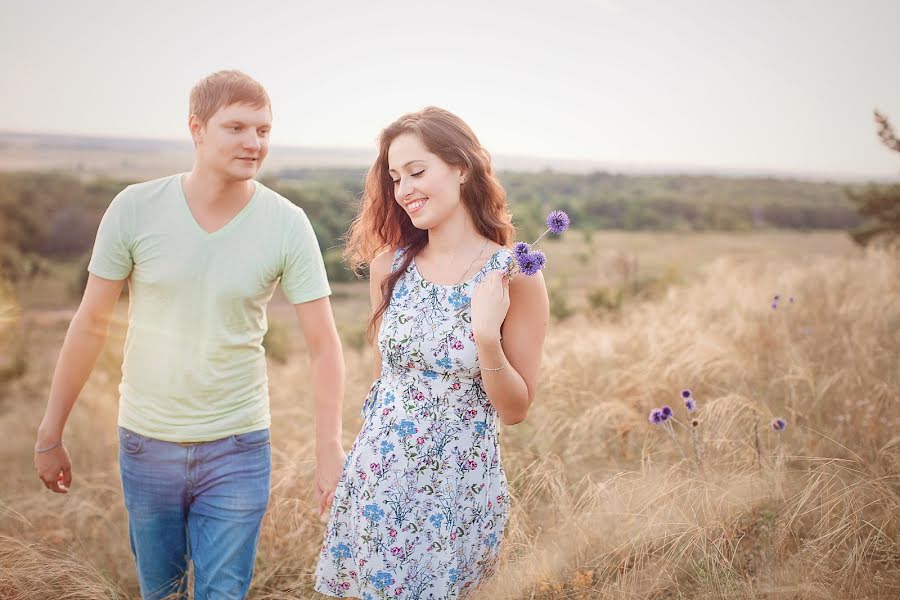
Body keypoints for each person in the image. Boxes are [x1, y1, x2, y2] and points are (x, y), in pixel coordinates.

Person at [33, 70, 346, 600]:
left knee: (222, 593)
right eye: (237, 127)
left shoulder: (287, 224)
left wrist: (329, 448)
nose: (254, 142)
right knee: (163, 593)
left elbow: (323, 346)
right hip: (145, 443)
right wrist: (50, 432)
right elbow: (89, 325)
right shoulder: (134, 208)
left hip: (239, 447)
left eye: (264, 130)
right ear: (197, 129)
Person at [315, 107, 549, 598]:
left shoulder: (514, 275)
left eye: (417, 172)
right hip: (378, 485)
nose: (405, 190)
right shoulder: (389, 267)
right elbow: (384, 387)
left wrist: (486, 337)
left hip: (457, 496)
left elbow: (515, 410)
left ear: (462, 167)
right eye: (396, 178)